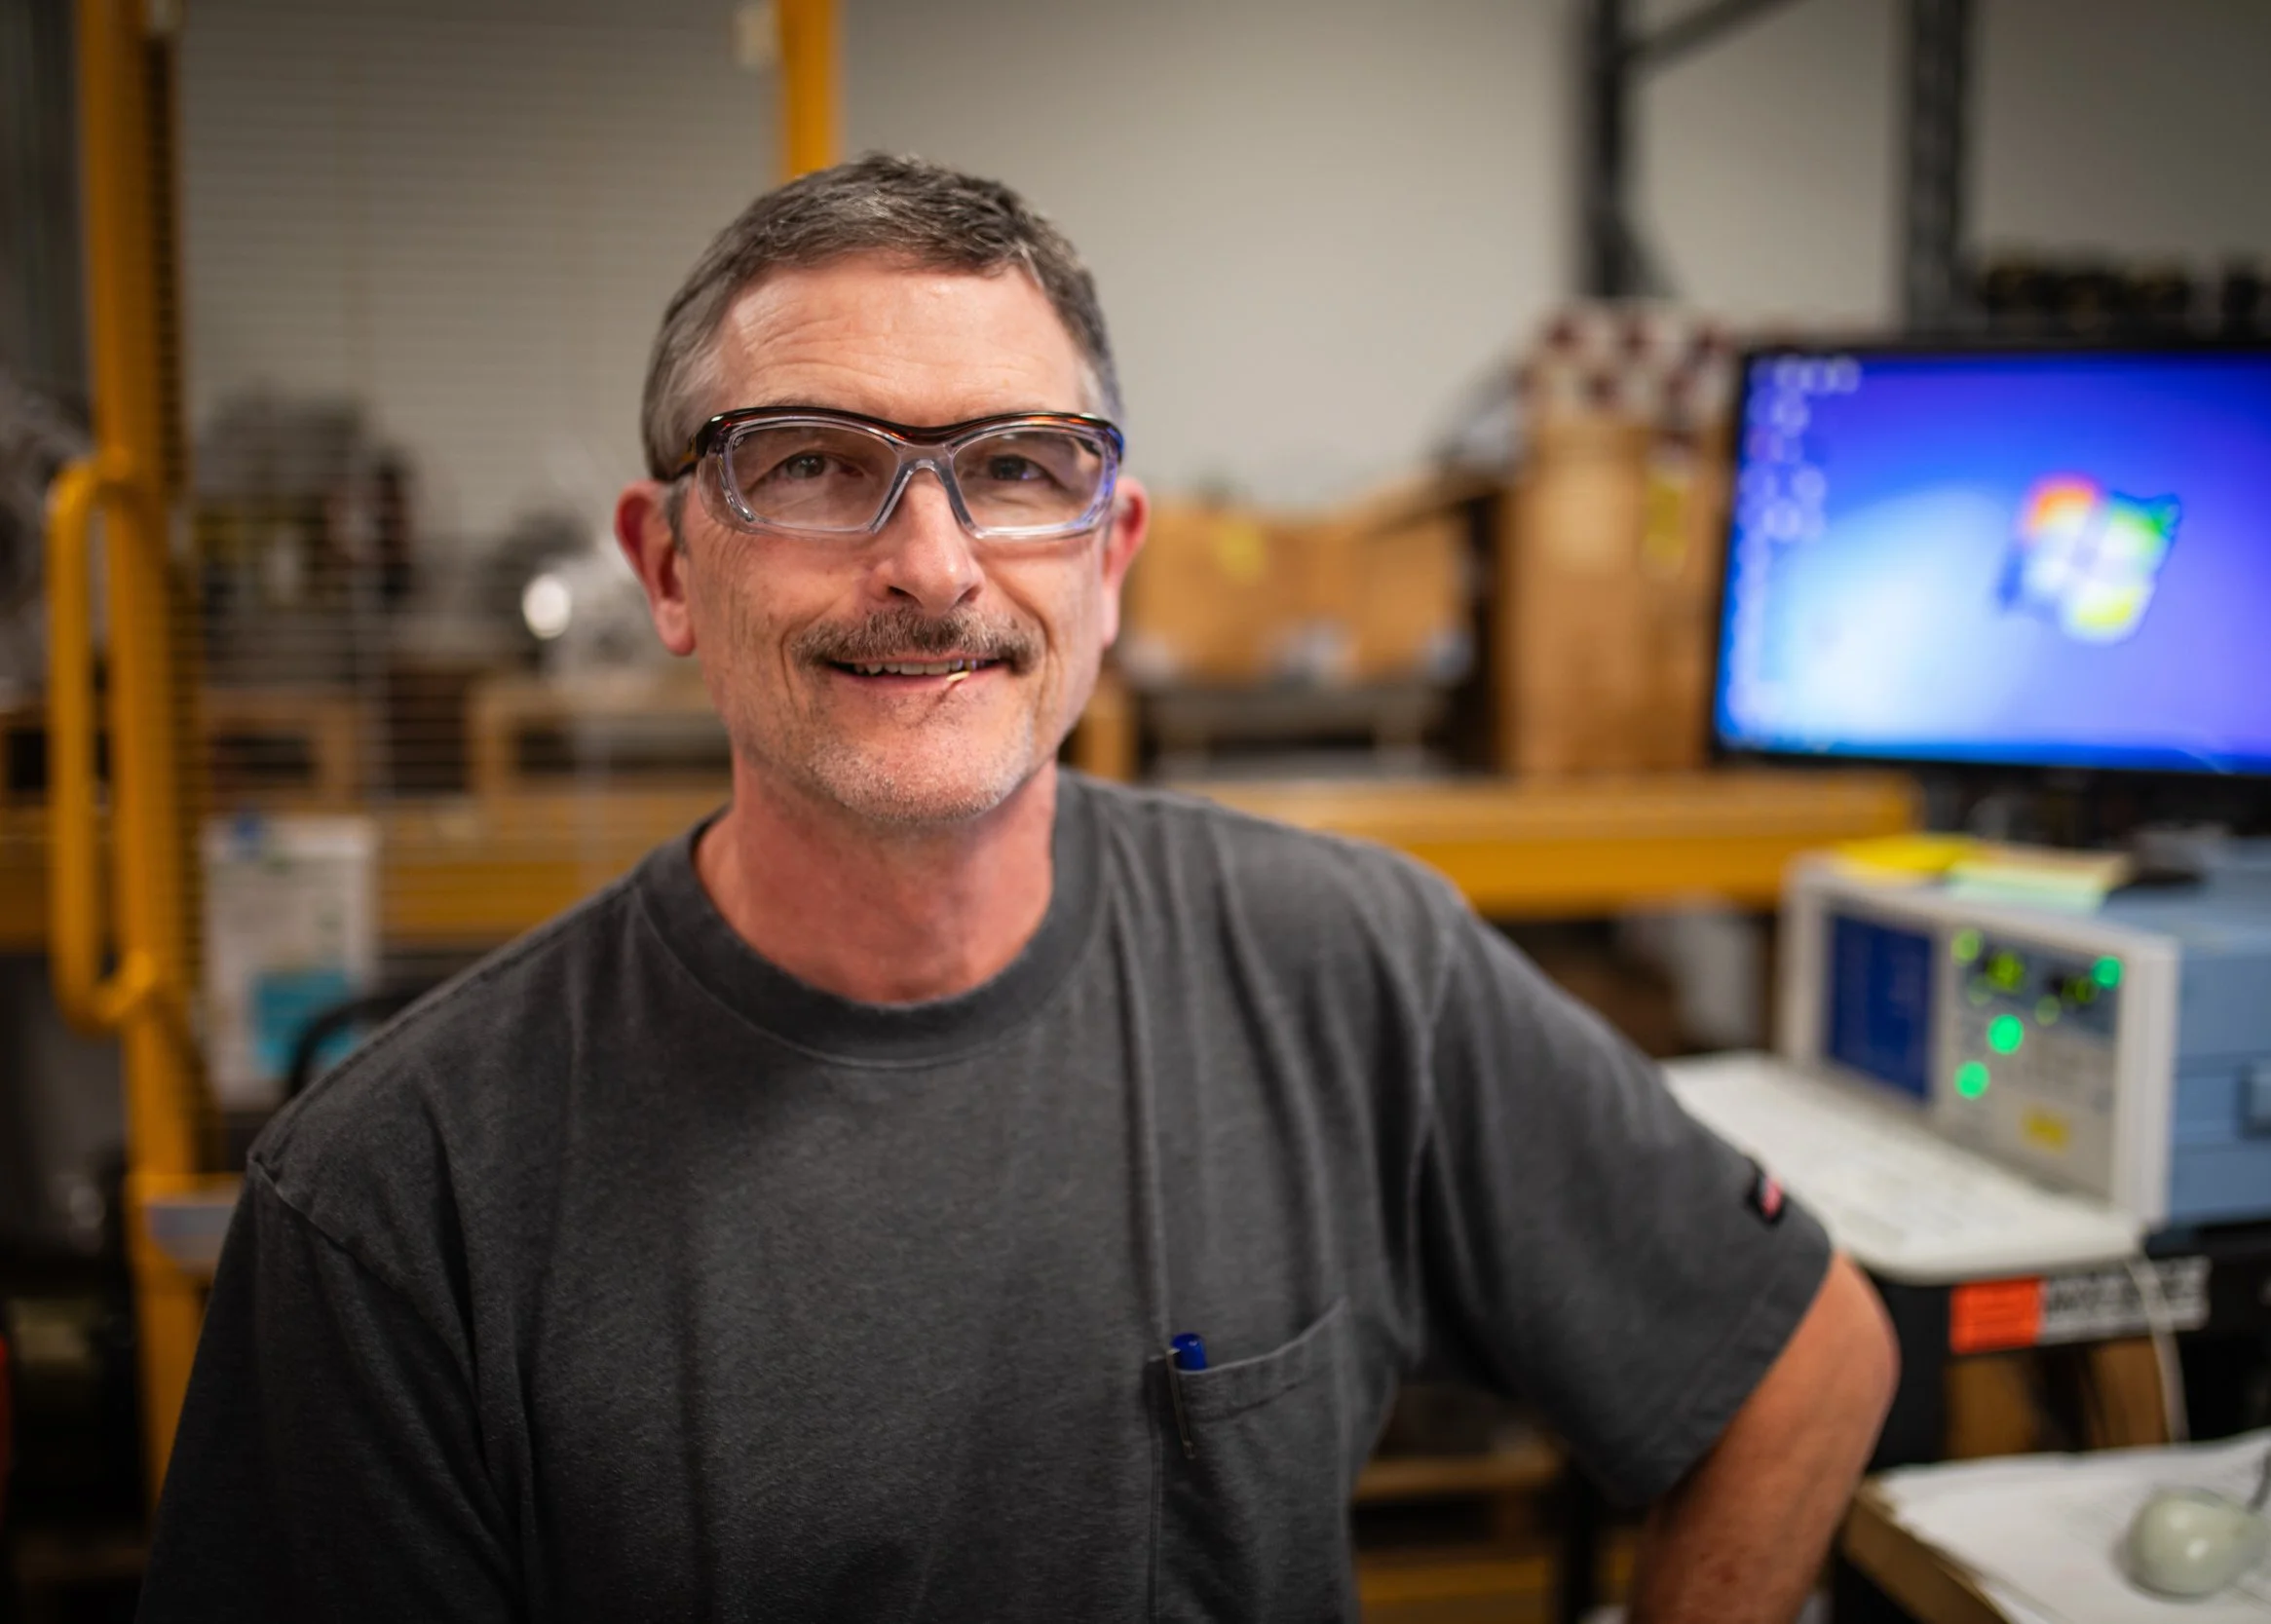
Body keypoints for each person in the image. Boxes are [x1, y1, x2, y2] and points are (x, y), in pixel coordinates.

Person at [141, 154, 1895, 1623]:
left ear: (1111, 559)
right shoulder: (397, 1198)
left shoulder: (1350, 970)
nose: (930, 561)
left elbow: (1803, 1355)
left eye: (1017, 468)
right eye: (814, 465)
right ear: (669, 562)